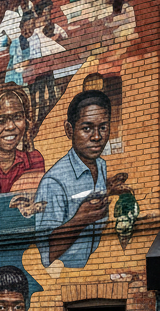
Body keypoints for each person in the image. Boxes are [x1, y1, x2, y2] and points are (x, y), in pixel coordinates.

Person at [35, 91, 127, 269]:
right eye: (87, 128)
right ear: (69, 130)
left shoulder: (100, 165)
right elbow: (46, 255)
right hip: (64, 276)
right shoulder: (53, 182)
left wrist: (107, 188)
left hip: (92, 269)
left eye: (103, 127)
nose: (97, 137)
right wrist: (79, 220)